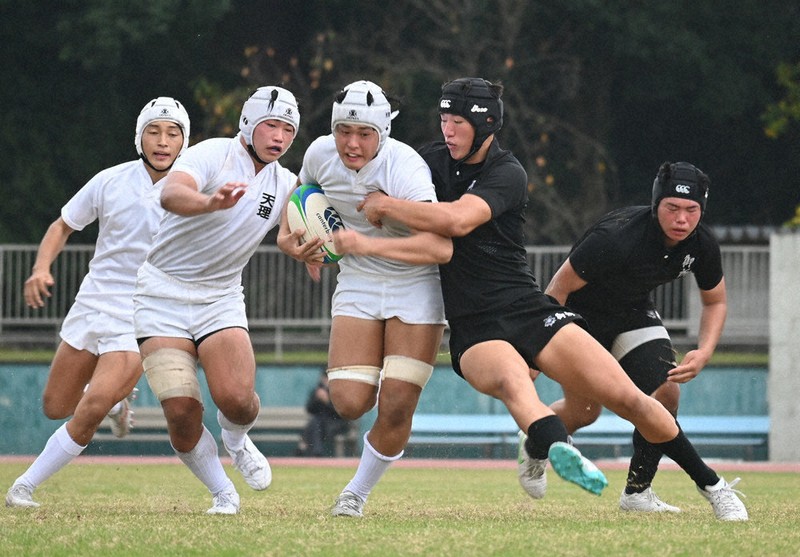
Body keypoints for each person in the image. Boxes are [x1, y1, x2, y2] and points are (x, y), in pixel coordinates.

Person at [348, 77, 747, 521]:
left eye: (458, 122)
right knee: (515, 384)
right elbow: (361, 171)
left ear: (486, 124)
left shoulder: (508, 172)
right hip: (472, 324)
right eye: (443, 120)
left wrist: (386, 206)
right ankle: (559, 447)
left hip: (528, 308)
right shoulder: (424, 162)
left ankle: (713, 487)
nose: (448, 131)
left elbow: (458, 220)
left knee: (633, 400)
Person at [6, 97, 191, 508]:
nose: (163, 141)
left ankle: (23, 486)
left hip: (144, 312)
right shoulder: (110, 180)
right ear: (139, 137)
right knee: (56, 406)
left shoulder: (193, 187)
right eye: (154, 131)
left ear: (185, 141)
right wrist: (40, 269)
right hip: (93, 302)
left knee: (90, 405)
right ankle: (117, 401)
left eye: (173, 133)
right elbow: (62, 225)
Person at [277, 80, 450, 518]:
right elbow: (298, 197)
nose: (351, 144)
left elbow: (440, 248)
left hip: (416, 284)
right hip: (357, 281)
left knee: (394, 406)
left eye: (364, 134)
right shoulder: (319, 153)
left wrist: (367, 240)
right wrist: (294, 243)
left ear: (383, 133)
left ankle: (354, 494)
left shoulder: (405, 168)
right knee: (349, 402)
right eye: (343, 132)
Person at [133, 86, 300, 515]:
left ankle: (237, 441)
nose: (279, 136)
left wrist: (302, 247)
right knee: (183, 411)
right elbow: (172, 193)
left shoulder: (286, 182)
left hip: (220, 296)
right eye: (271, 125)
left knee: (238, 401)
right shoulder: (212, 154)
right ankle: (223, 492)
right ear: (248, 124)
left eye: (288, 129)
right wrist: (209, 202)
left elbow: (288, 232)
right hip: (161, 293)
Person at [544, 161, 727, 513]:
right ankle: (536, 435)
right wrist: (538, 346)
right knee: (584, 413)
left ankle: (637, 493)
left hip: (631, 313)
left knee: (667, 392)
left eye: (692, 210)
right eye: (672, 208)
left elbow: (715, 300)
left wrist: (704, 351)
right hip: (580, 320)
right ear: (656, 203)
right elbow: (556, 290)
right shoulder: (615, 237)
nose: (682, 220)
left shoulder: (701, 243)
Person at [295, 372, 351, 457]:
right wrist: (317, 399)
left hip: (336, 424)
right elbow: (310, 409)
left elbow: (340, 413)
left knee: (315, 424)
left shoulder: (338, 392)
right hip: (321, 425)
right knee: (316, 422)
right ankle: (316, 452)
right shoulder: (318, 391)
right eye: (324, 378)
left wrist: (327, 401)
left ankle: (304, 446)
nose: (326, 381)